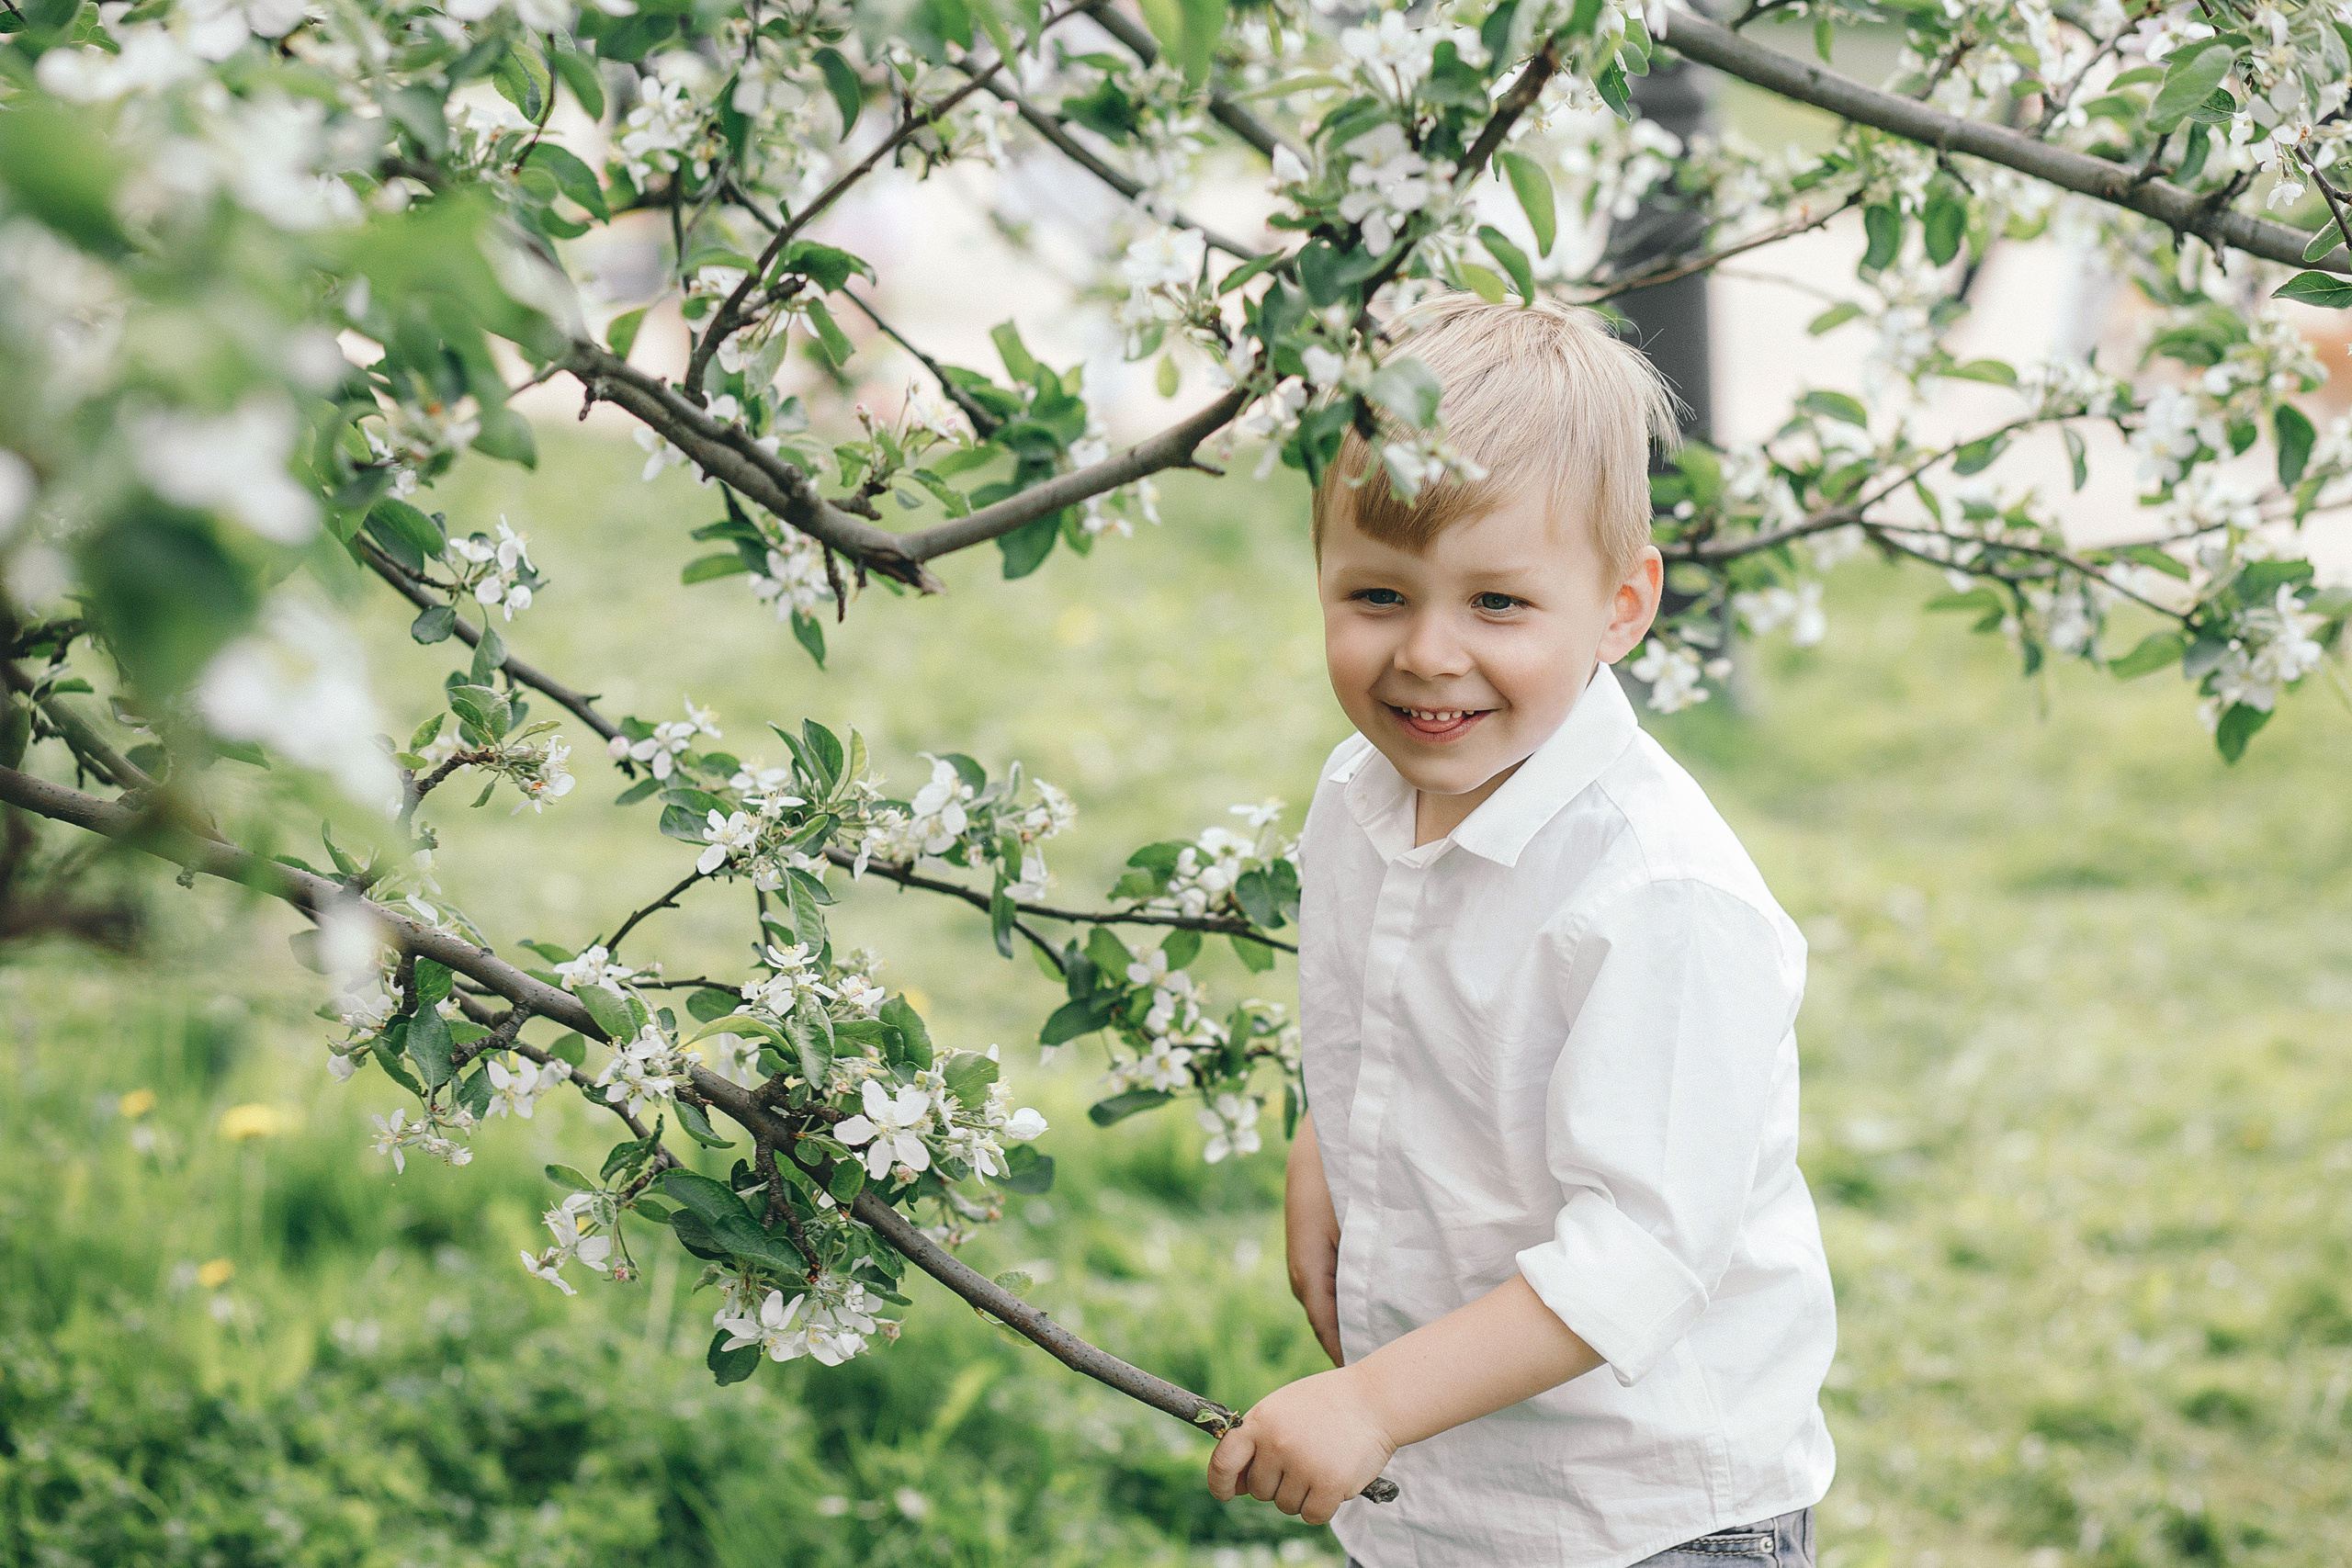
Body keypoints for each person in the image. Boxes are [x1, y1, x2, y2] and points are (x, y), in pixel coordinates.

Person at [1204, 294, 1837, 1567]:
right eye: (1378, 594)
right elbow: (1383, 1015)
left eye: (1498, 603)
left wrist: (1370, 1400)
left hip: (1648, 1517)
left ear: (1620, 606)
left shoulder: (1656, 897)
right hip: (1455, 1493)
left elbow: (1639, 1258)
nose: (1430, 654)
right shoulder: (1359, 798)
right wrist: (1327, 1142)